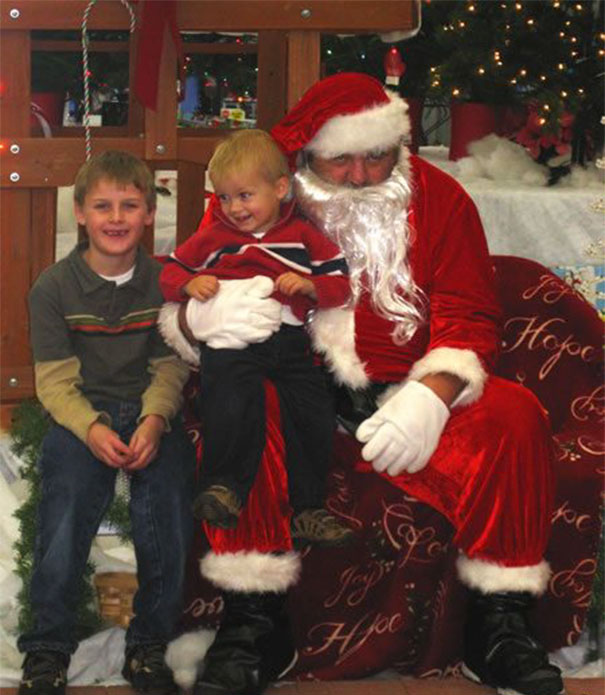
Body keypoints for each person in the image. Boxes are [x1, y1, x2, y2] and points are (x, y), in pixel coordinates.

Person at [160, 73, 563, 695]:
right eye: (339, 160)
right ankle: (255, 621)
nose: (359, 176)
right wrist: (197, 319)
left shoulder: (441, 199)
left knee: (514, 416)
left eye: (376, 156)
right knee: (244, 403)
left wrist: (434, 392)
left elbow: (469, 309)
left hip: (403, 386)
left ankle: (500, 624)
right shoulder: (257, 190)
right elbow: (190, 276)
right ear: (303, 159)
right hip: (287, 378)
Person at [18, 151, 195, 695]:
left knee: (168, 502)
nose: (116, 218)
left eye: (129, 205)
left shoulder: (165, 282)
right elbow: (54, 382)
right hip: (81, 414)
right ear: (79, 213)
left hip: (147, 409)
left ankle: (149, 646)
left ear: (149, 213)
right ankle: (47, 648)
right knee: (65, 504)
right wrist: (91, 428)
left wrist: (155, 419)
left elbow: (170, 364)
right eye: (102, 206)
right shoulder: (53, 288)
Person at [160, 129, 354, 547]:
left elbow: (340, 281)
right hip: (233, 340)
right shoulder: (215, 237)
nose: (234, 208)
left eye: (245, 195)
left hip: (289, 341)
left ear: (280, 189)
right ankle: (222, 487)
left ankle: (308, 508)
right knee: (228, 399)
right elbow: (171, 270)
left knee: (313, 413)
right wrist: (189, 285)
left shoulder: (303, 235)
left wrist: (310, 286)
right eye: (224, 198)